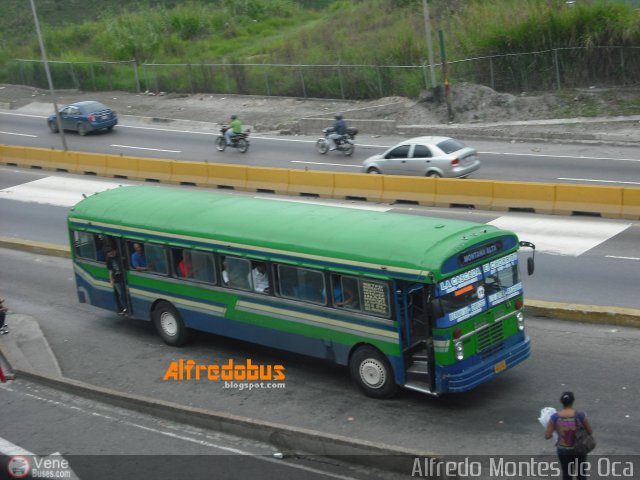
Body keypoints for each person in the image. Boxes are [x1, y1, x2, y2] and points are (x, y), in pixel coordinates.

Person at [545, 391, 593, 480]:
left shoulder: (554, 417)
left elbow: (547, 436)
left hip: (563, 451)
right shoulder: (580, 415)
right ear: (573, 401)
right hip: (579, 449)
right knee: (581, 474)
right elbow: (590, 431)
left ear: (561, 402)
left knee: (567, 475)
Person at [106, 247, 129, 315]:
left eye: (112, 254)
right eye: (109, 255)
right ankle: (125, 308)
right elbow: (110, 270)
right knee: (121, 294)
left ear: (114, 251)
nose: (111, 255)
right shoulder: (109, 259)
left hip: (124, 277)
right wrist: (111, 279)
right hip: (116, 279)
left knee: (126, 293)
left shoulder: (120, 257)